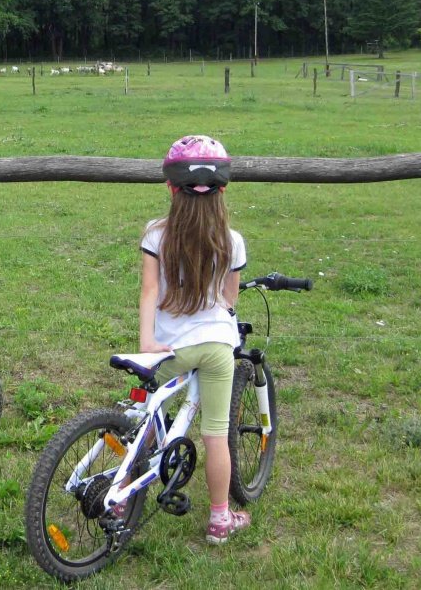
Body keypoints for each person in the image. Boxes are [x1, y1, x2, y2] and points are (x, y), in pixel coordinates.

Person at [137, 135, 249, 545]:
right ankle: (220, 518)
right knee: (215, 433)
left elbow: (149, 291)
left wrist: (147, 342)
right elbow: (230, 298)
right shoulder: (232, 241)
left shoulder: (156, 236)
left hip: (169, 348)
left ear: (171, 188)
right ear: (222, 191)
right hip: (217, 347)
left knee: (149, 415)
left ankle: (128, 481)